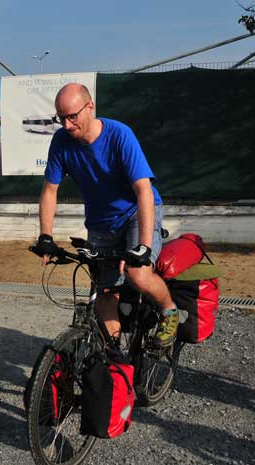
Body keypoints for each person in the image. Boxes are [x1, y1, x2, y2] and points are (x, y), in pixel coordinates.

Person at [33, 83, 179, 348]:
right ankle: (112, 359)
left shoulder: (119, 135)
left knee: (138, 274)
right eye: (60, 118)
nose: (66, 125)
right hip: (101, 222)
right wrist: (45, 235)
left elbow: (144, 191)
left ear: (90, 107)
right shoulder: (61, 141)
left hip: (137, 211)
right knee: (105, 292)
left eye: (72, 116)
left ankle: (170, 311)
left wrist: (143, 247)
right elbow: (50, 191)